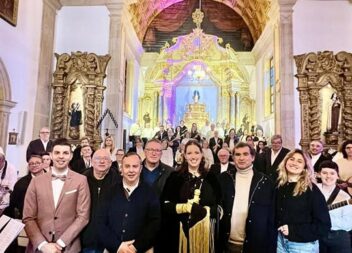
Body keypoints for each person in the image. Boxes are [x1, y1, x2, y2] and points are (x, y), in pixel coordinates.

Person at [23, 138, 91, 253]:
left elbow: (83, 217)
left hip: (68, 247)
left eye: (65, 153)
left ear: (71, 156)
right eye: (57, 153)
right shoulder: (36, 182)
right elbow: (28, 217)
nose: (61, 156)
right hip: (40, 248)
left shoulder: (81, 180)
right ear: (51, 155)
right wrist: (43, 245)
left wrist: (60, 243)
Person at [160, 140, 221, 253]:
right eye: (189, 153)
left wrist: (205, 211)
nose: (193, 156)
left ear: (201, 155)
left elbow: (219, 206)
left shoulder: (211, 177)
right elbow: (165, 205)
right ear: (185, 156)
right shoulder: (175, 177)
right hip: (178, 237)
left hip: (205, 237)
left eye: (196, 153)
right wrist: (184, 208)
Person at [219, 142, 276, 253]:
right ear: (233, 157)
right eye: (237, 154)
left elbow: (271, 216)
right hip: (227, 244)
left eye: (245, 154)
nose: (241, 158)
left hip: (255, 245)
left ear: (253, 157)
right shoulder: (224, 178)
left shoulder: (265, 182)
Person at [97, 152, 161, 253]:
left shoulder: (150, 192)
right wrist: (117, 246)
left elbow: (154, 224)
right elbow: (100, 222)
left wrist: (135, 247)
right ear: (121, 169)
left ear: (140, 169)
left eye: (135, 166)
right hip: (113, 249)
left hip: (142, 250)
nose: (131, 170)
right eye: (127, 166)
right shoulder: (109, 192)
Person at [276, 149, 331, 253]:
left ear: (305, 167)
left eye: (299, 161)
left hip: (303, 246)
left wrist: (293, 231)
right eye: (291, 159)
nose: (294, 163)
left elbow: (324, 225)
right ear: (286, 161)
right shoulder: (280, 186)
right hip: (280, 242)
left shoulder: (311, 190)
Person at [81, 149, 120, 253]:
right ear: (92, 162)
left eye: (105, 159)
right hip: (86, 238)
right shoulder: (82, 179)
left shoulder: (118, 181)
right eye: (98, 158)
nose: (102, 161)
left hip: (110, 240)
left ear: (111, 163)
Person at [317, 161, 352, 253]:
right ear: (319, 175)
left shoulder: (345, 197)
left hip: (338, 237)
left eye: (332, 173)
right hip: (316, 235)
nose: (328, 176)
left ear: (337, 176)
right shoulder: (312, 191)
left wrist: (324, 219)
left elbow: (348, 224)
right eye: (324, 173)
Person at [5, 154, 45, 219]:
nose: (34, 165)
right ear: (28, 167)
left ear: (43, 164)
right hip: (27, 218)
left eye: (37, 163)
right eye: (31, 164)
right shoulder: (21, 183)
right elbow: (12, 203)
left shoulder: (52, 179)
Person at [0, 147, 17, 215]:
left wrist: (1, 208)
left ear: (3, 160)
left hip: (6, 205)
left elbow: (11, 191)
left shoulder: (11, 169)